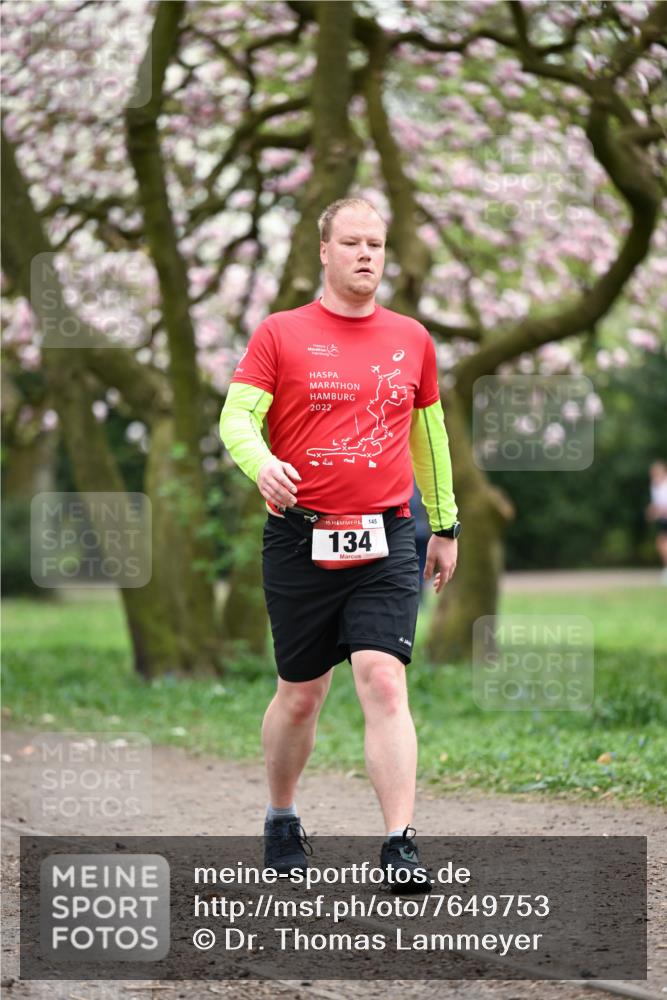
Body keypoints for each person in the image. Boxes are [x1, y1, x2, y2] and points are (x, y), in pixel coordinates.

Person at [219, 197, 459, 892]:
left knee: (383, 678)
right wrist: (260, 462)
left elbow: (430, 439)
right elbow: (236, 418)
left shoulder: (411, 339)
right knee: (301, 694)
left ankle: (399, 843)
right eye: (351, 242)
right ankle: (282, 817)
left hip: (386, 537)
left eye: (376, 244)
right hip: (300, 541)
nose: (365, 254)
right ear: (322, 251)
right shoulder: (279, 333)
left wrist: (442, 524)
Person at [646, 460, 667, 584]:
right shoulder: (655, 486)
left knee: (662, 543)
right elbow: (657, 504)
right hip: (664, 520)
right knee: (661, 544)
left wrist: (656, 512)